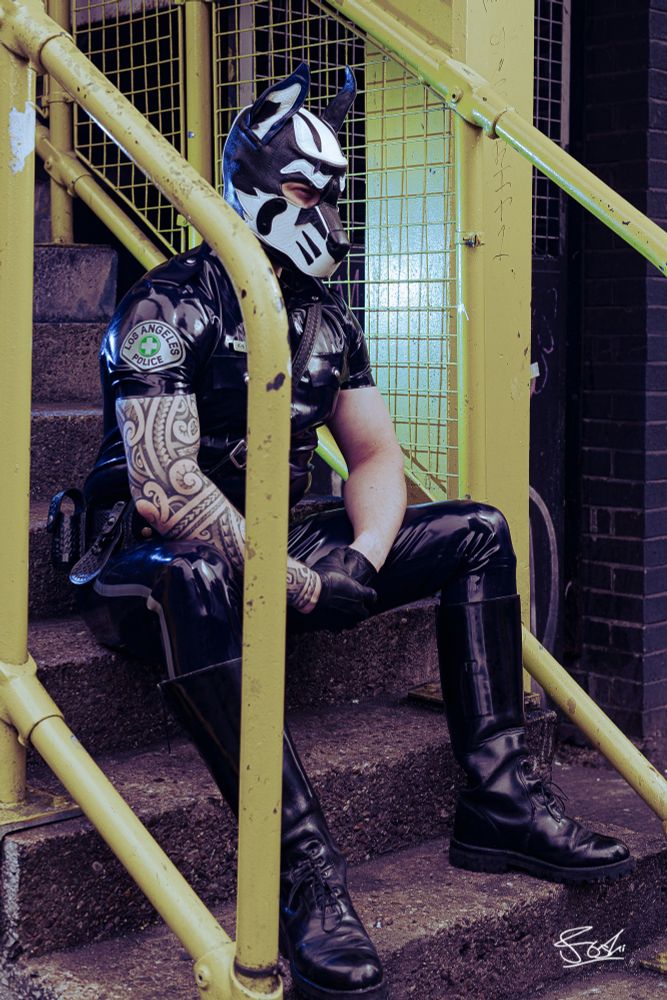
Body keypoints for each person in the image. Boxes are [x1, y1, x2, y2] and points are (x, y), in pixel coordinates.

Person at [72, 63, 633, 1000]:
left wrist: (364, 563)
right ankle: (306, 884)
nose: (321, 210)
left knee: (481, 530)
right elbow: (166, 493)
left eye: (330, 192)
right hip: (142, 564)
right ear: (250, 188)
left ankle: (498, 801)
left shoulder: (328, 317)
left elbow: (372, 457)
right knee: (196, 579)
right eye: (301, 189)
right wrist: (299, 584)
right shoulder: (165, 307)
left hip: (272, 543)